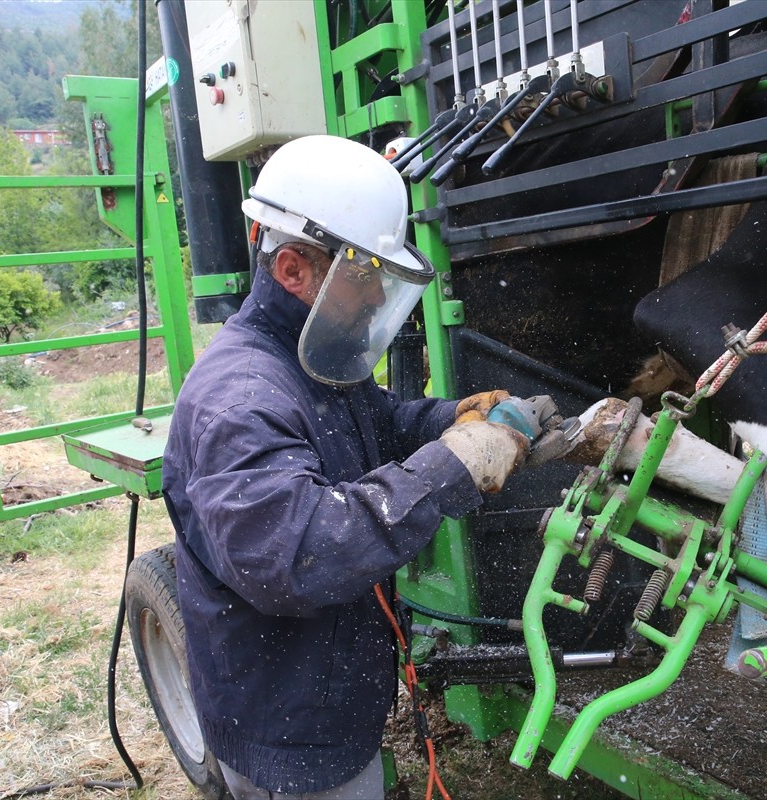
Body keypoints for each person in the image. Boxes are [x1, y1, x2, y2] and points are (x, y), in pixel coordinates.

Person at [161, 135, 531, 799]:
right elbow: (302, 555)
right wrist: (453, 465)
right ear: (295, 270)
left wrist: (458, 419)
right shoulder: (241, 399)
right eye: (367, 276)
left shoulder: (312, 354)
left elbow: (381, 424)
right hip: (289, 728)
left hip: (322, 697)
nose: (373, 299)